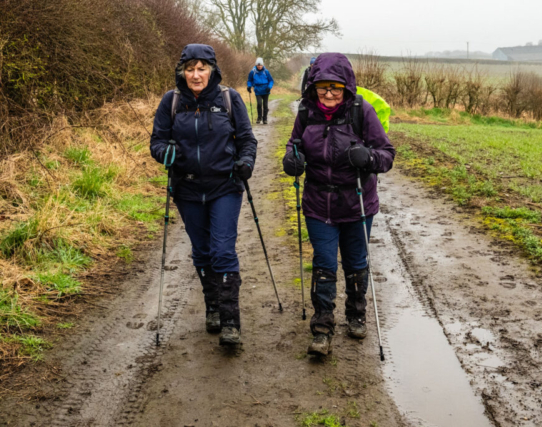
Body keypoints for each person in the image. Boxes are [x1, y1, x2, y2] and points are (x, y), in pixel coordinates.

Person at [282, 53, 396, 356]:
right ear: (312, 86)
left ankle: (356, 315)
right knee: (324, 263)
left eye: (335, 87)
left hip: (357, 202)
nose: (329, 94)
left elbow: (386, 154)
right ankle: (322, 328)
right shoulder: (306, 112)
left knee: (356, 261)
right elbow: (294, 144)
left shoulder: (362, 111)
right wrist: (292, 159)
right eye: (322, 87)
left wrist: (368, 158)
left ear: (346, 86)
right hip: (319, 203)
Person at [150, 44, 257, 346]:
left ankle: (230, 321)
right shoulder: (171, 102)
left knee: (222, 250)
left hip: (225, 186)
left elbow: (247, 139)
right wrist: (165, 152)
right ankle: (212, 307)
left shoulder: (229, 99)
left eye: (202, 68)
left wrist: (246, 162)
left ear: (212, 70)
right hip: (187, 187)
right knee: (202, 251)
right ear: (181, 71)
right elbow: (156, 142)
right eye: (189, 69)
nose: (195, 75)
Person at [247, 57, 274, 124]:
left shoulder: (266, 71)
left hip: (266, 90)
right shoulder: (252, 72)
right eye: (258, 65)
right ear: (256, 65)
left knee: (265, 105)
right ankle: (259, 118)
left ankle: (265, 119)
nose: (259, 67)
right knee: (259, 104)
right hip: (258, 90)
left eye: (260, 65)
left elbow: (271, 81)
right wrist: (249, 86)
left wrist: (269, 87)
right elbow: (249, 80)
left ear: (262, 65)